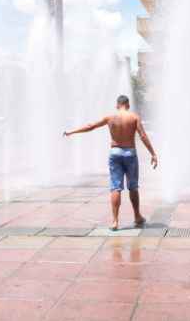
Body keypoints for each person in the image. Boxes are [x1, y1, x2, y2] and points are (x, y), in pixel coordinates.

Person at [63, 95, 158, 231]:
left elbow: (91, 126)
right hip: (130, 153)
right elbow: (143, 136)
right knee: (133, 187)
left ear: (117, 105)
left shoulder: (110, 117)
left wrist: (71, 132)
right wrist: (153, 153)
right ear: (128, 105)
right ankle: (137, 216)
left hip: (115, 153)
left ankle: (115, 221)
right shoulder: (134, 117)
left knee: (115, 188)